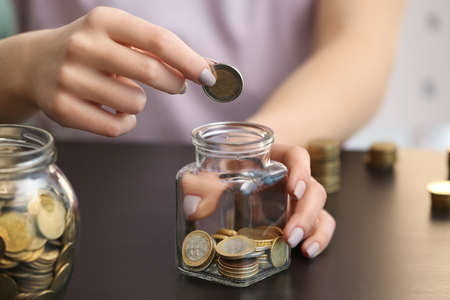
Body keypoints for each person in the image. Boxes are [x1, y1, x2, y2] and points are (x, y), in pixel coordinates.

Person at [0, 0, 406, 258]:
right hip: (70, 207)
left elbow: (361, 43)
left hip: (278, 148)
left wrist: (248, 158)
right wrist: (18, 67)